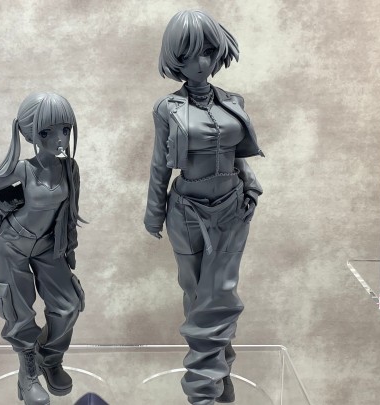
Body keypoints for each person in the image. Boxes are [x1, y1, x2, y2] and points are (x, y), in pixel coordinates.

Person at [144, 10, 264, 405]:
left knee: (221, 293)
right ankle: (220, 366)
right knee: (198, 294)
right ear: (174, 59)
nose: (200, 62)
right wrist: (153, 212)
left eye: (209, 52)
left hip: (231, 208)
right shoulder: (167, 109)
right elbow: (160, 165)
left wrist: (250, 186)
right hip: (186, 212)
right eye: (188, 55)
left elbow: (236, 154)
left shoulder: (232, 101)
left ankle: (202, 390)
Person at [0, 92, 86, 405]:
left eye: (65, 129)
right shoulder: (22, 169)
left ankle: (49, 359)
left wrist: (69, 246)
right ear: (29, 134)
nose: (59, 139)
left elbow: (71, 213)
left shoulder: (69, 169)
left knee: (68, 305)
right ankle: (27, 375)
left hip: (49, 245)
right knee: (18, 311)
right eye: (47, 132)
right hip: (11, 245)